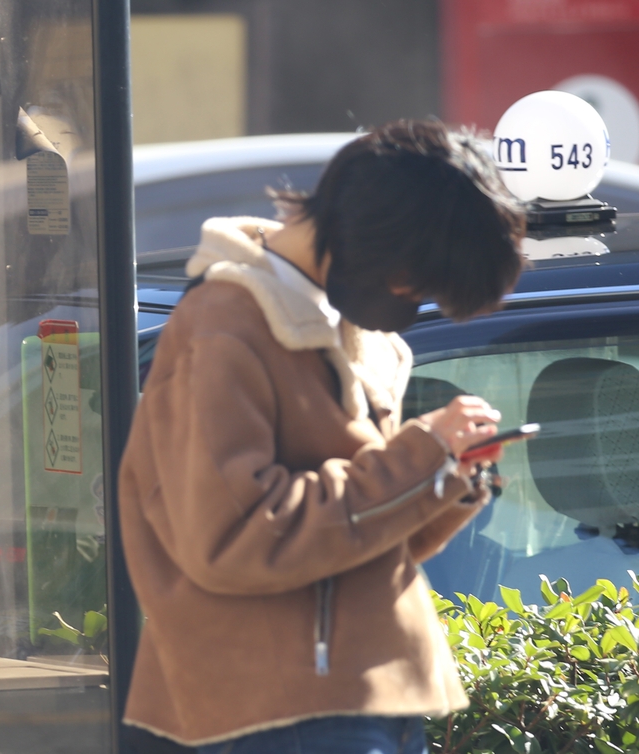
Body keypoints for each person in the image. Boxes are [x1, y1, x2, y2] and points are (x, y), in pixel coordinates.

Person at [117, 120, 525, 754]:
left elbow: (360, 540)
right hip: (281, 708)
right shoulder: (227, 323)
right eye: (416, 282)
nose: (412, 301)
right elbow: (234, 536)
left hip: (353, 694)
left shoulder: (341, 325)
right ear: (380, 242)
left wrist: (449, 473)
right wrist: (422, 455)